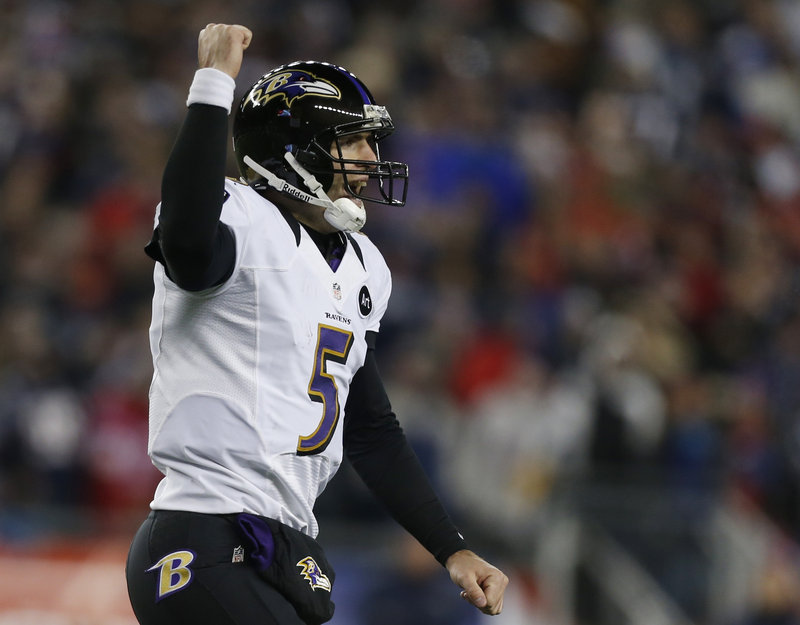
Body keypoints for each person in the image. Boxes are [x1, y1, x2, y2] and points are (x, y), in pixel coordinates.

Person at [125, 23, 508, 625]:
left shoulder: (364, 269)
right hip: (202, 531)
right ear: (294, 151)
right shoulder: (238, 218)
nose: (371, 160)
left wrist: (450, 547)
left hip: (286, 543)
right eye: (352, 142)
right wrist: (213, 86)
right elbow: (190, 243)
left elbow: (370, 428)